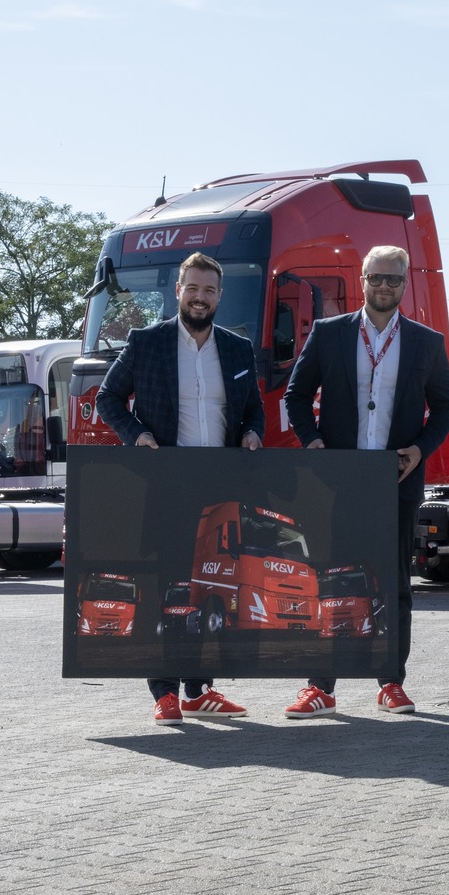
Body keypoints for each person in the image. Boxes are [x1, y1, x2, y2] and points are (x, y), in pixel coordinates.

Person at [281, 245, 449, 718]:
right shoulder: (329, 333)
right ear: (361, 279)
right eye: (376, 277)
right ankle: (320, 687)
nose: (384, 286)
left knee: (394, 584)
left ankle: (391, 682)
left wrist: (420, 448)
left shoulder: (425, 341)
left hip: (395, 479)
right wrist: (313, 442)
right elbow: (296, 396)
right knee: (327, 579)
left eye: (393, 279)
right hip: (336, 481)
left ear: (405, 284)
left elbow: (446, 407)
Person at [95, 252, 263, 726]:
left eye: (209, 290)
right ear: (178, 291)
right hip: (167, 484)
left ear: (220, 296)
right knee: (169, 586)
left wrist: (253, 432)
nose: (200, 297)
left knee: (212, 588)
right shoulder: (146, 342)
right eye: (193, 288)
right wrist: (137, 436)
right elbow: (108, 398)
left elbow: (254, 409)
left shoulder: (237, 348)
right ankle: (165, 692)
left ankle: (199, 690)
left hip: (222, 487)